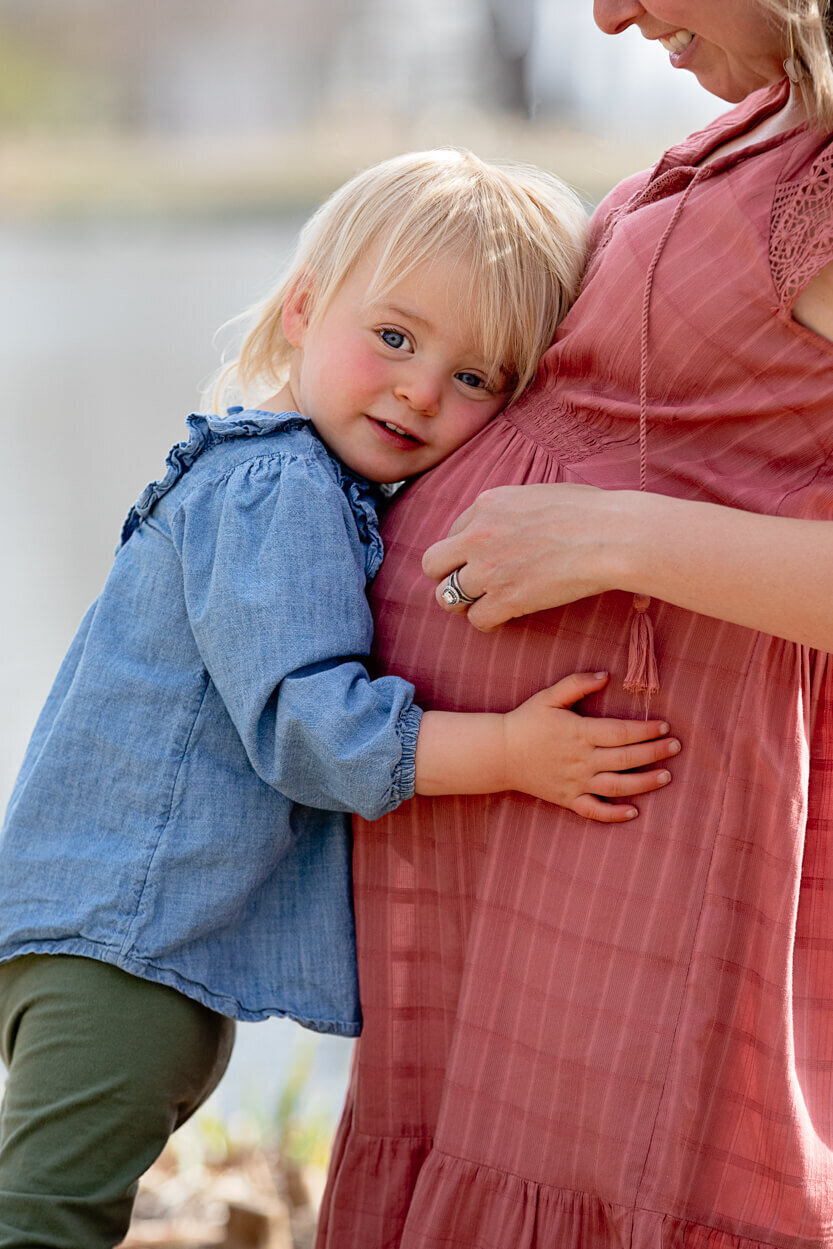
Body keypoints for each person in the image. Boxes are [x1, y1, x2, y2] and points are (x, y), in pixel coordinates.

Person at [0, 149, 683, 1249]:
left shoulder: (295, 480)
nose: (420, 389)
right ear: (307, 307)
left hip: (125, 943)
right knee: (45, 1220)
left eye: (476, 378)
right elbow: (309, 726)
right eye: (395, 339)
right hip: (117, 946)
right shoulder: (279, 487)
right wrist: (509, 749)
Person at [316, 6, 833, 1249]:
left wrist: (612, 539)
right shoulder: (757, 122)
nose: (604, 14)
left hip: (662, 852)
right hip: (528, 864)